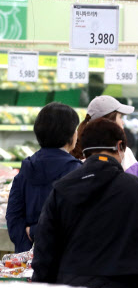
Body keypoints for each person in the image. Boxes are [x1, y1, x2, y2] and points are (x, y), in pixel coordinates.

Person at [32, 118, 138, 288]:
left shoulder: (61, 189)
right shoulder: (137, 189)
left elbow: (44, 251)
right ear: (120, 146)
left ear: (84, 149)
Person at [6, 103, 82, 252]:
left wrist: (27, 246)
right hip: (64, 260)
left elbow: (13, 216)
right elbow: (74, 220)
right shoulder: (76, 170)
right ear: (70, 135)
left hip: (28, 259)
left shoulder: (26, 168)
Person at [71, 95, 138, 179]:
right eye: (120, 117)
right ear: (110, 121)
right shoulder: (123, 153)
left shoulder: (77, 150)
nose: (122, 122)